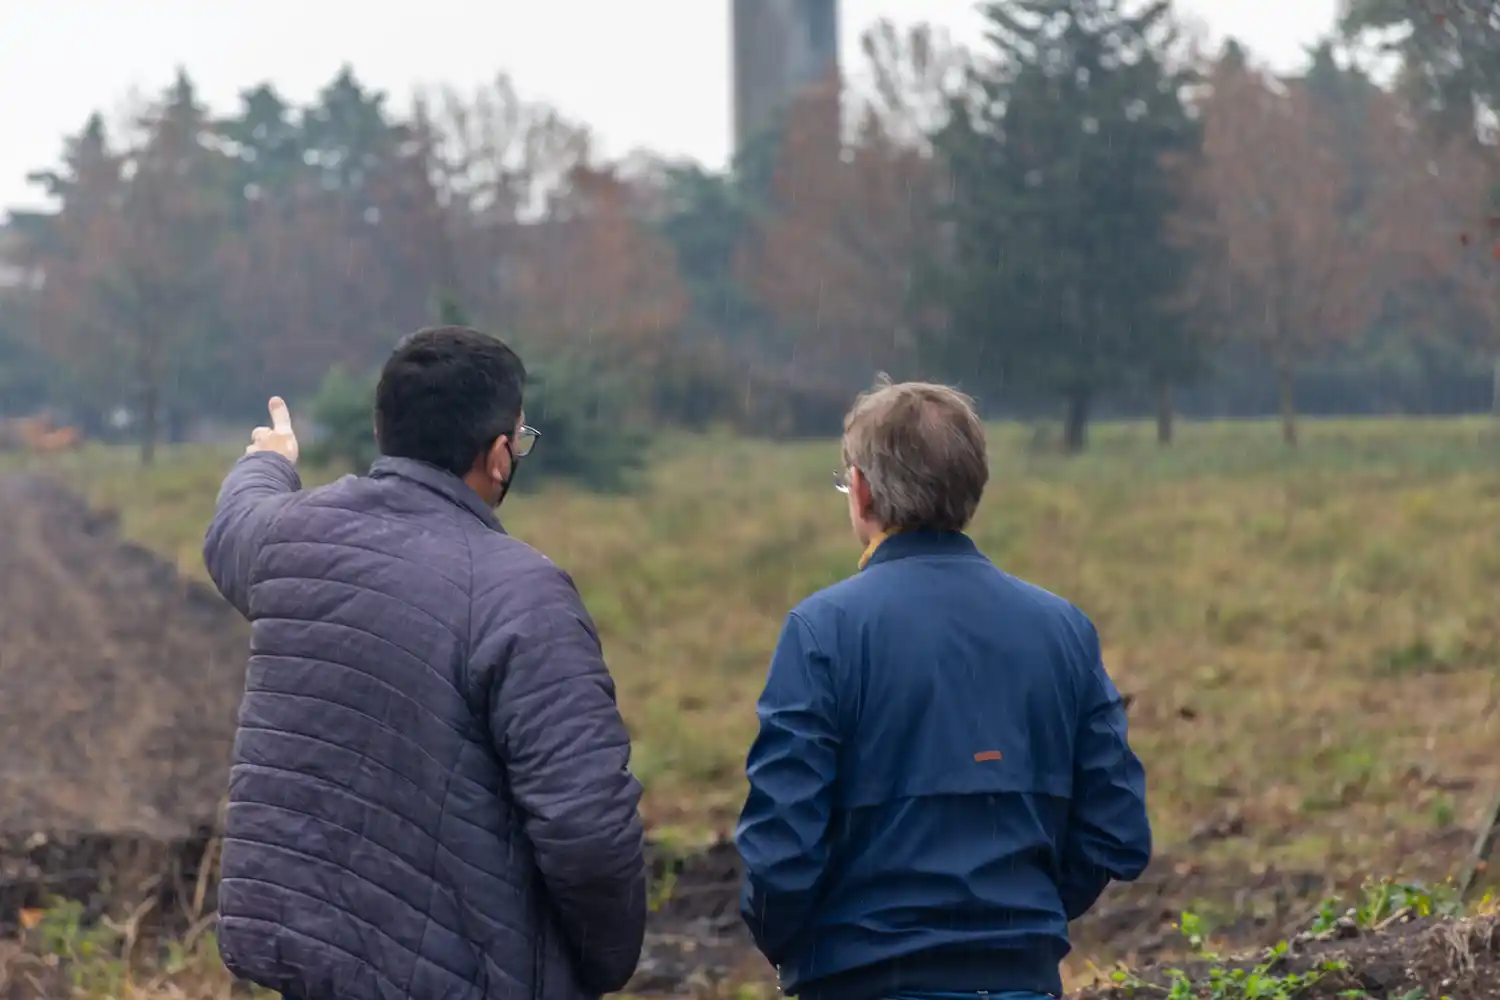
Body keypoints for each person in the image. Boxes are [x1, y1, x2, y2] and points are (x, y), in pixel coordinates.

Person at [202, 326, 647, 1000]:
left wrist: (271, 459)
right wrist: (596, 966)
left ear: (386, 430)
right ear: (499, 455)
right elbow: (586, 830)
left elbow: (233, 522)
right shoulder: (523, 593)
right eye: (519, 440)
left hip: (315, 969)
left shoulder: (286, 539)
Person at [735, 377, 1151, 1000]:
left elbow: (781, 850)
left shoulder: (822, 632)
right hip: (1021, 979)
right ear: (972, 485)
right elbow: (1116, 828)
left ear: (864, 493)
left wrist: (801, 945)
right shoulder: (1063, 629)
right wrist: (1021, 919)